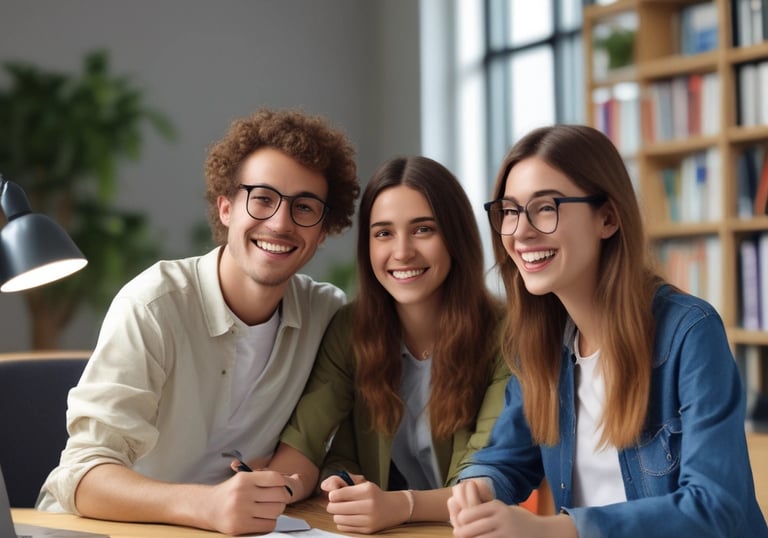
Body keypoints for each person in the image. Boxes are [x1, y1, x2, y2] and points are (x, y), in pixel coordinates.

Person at [36, 108, 360, 535]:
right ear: (226, 208)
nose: (280, 223)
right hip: (102, 529)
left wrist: (280, 484)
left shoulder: (326, 315)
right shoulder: (153, 305)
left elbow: (314, 445)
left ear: (323, 231)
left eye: (304, 207)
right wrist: (207, 504)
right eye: (262, 198)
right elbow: (83, 475)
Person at [446, 124, 768, 537]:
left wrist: (555, 531)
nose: (520, 232)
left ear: (609, 218)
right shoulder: (538, 343)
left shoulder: (690, 332)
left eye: (545, 207)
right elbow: (505, 459)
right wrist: (475, 488)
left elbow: (714, 507)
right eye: (509, 211)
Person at [264, 156, 511, 533]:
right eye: (383, 233)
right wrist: (338, 484)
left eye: (423, 229)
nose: (401, 252)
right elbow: (318, 443)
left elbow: (488, 479)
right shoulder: (351, 329)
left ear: (455, 237)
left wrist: (401, 506)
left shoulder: (507, 335)